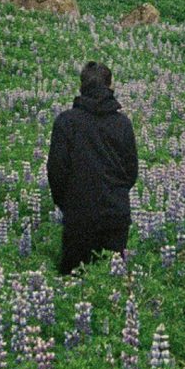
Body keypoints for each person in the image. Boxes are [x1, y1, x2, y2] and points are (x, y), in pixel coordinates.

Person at [46, 60, 139, 275]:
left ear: (81, 87)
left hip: (79, 217)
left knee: (74, 280)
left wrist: (67, 203)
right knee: (111, 281)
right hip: (115, 215)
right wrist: (115, 194)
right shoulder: (122, 123)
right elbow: (131, 173)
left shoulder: (65, 122)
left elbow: (56, 172)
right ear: (110, 87)